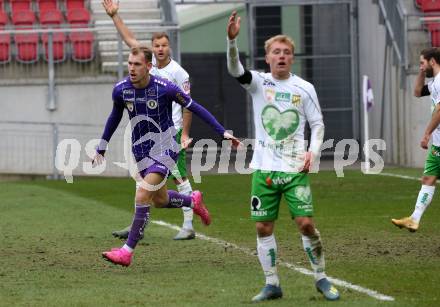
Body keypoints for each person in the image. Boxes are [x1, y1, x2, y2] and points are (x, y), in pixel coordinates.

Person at [226, 11, 339, 302]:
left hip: (293, 168)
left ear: (292, 58)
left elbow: (318, 124)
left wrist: (312, 154)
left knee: (305, 223)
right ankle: (272, 284)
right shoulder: (258, 83)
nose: (281, 56)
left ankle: (321, 278)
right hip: (263, 168)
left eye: (286, 52)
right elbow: (235, 69)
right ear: (267, 57)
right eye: (276, 52)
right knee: (263, 226)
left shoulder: (304, 88)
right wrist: (232, 40)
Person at [94, 46, 239, 266]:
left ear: (149, 67)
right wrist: (102, 146)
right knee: (160, 201)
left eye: (137, 64)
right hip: (141, 151)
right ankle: (193, 201)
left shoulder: (165, 88)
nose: (131, 69)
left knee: (143, 195)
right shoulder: (121, 90)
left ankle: (127, 252)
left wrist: (222, 131)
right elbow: (115, 116)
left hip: (165, 148)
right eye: (130, 64)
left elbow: (195, 107)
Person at [102, 0, 196, 240]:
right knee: (144, 180)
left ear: (170, 47)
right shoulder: (148, 67)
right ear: (152, 49)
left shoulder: (178, 73)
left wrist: (184, 134)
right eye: (157, 45)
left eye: (164, 45)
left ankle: (188, 225)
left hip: (170, 132)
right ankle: (138, 226)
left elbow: (188, 106)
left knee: (180, 176)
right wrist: (114, 16)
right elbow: (130, 40)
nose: (161, 49)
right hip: (147, 135)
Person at [392, 47, 440, 232]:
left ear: (433, 62)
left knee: (428, 178)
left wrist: (427, 132)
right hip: (438, 145)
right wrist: (421, 72)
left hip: (436, 140)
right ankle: (414, 219)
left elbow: (439, 110)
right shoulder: (435, 82)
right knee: (428, 178)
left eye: (422, 63)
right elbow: (418, 92)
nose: (420, 66)